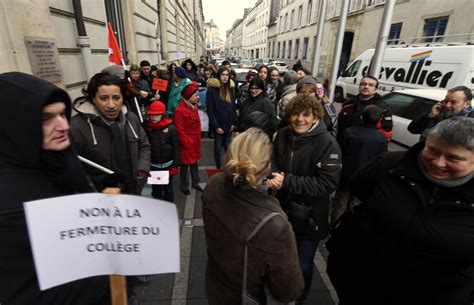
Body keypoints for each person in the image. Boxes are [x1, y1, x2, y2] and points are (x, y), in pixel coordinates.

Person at [326, 116, 474, 305]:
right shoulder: (389, 166)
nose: (438, 163)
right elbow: (360, 188)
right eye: (433, 150)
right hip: (361, 288)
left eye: (453, 158)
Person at [0, 72, 109, 305]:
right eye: (45, 118)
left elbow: (70, 192)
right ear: (12, 125)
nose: (62, 126)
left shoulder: (56, 155)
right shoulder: (8, 202)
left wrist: (102, 186)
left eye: (62, 114)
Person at [202, 128, 304, 305]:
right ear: (267, 166)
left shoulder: (214, 184)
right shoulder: (275, 224)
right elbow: (288, 291)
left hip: (216, 287)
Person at [268, 94, 342, 305]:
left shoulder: (328, 143)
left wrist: (287, 181)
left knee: (303, 264)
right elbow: (272, 161)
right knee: (281, 258)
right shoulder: (282, 134)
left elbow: (327, 184)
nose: (300, 119)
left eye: (306, 115)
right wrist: (272, 175)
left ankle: (298, 299)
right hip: (282, 210)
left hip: (310, 217)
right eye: (295, 114)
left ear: (315, 117)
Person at [70, 72, 151, 195]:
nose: (111, 105)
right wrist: (100, 185)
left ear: (123, 98)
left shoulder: (131, 118)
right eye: (103, 98)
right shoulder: (76, 127)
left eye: (116, 98)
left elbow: (144, 146)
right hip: (100, 200)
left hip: (134, 191)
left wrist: (142, 171)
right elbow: (71, 172)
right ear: (93, 99)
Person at [331, 105, 388, 225]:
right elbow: (382, 158)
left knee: (340, 201)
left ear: (361, 118)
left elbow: (339, 151)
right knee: (355, 203)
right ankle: (348, 225)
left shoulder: (349, 132)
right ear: (379, 121)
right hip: (366, 176)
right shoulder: (381, 138)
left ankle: (334, 226)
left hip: (346, 174)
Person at [337, 75, 393, 141]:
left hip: (363, 148)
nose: (366, 87)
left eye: (371, 85)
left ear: (375, 90)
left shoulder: (381, 108)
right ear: (359, 87)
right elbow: (338, 124)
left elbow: (385, 135)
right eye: (363, 84)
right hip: (342, 144)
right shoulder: (348, 104)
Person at [408, 85, 473, 141]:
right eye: (446, 101)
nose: (447, 105)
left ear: (467, 104)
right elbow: (412, 129)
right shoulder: (438, 112)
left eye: (453, 102)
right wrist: (430, 116)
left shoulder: (471, 120)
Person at [145, 101, 180, 202]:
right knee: (156, 191)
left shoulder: (171, 128)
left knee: (168, 190)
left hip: (168, 165)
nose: (153, 117)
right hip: (153, 166)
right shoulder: (147, 128)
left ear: (163, 115)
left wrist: (175, 165)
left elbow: (176, 147)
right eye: (151, 115)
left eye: (157, 115)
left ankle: (169, 209)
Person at [206, 66, 237, 169]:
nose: (225, 77)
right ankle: (218, 168)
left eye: (227, 75)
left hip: (228, 124)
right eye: (223, 74)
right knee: (218, 148)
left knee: (228, 148)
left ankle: (228, 168)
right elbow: (210, 110)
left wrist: (233, 123)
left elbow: (233, 108)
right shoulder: (212, 90)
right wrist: (216, 127)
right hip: (218, 124)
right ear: (218, 75)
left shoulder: (231, 89)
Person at [174, 84, 203, 195]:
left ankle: (196, 182)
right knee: (185, 165)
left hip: (195, 140)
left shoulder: (194, 106)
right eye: (195, 95)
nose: (198, 97)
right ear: (189, 96)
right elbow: (179, 130)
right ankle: (184, 185)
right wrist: (186, 142)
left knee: (195, 163)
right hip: (187, 142)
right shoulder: (179, 111)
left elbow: (198, 122)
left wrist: (198, 137)